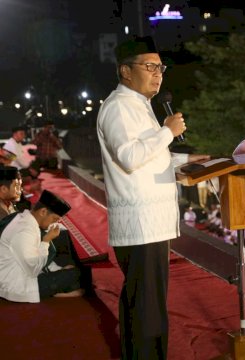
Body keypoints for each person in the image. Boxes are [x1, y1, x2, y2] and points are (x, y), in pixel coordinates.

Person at [96, 35, 210, 360]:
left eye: (160, 67)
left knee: (147, 305)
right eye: (149, 66)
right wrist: (168, 132)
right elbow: (130, 157)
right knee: (145, 308)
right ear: (125, 71)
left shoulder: (140, 107)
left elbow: (152, 159)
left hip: (152, 225)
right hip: (141, 227)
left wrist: (190, 160)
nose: (158, 73)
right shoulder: (119, 107)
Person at [0, 190, 83, 302]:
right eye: (54, 219)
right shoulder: (24, 231)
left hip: (22, 272)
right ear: (43, 212)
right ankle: (59, 292)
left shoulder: (25, 218)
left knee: (69, 263)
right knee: (78, 275)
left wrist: (59, 269)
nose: (55, 223)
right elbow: (33, 270)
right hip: (17, 285)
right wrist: (46, 241)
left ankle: (62, 288)